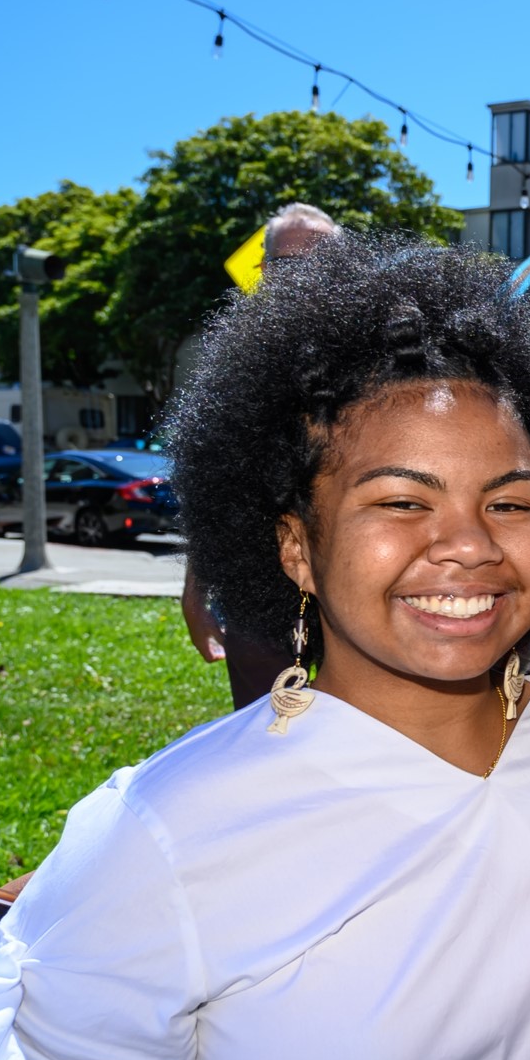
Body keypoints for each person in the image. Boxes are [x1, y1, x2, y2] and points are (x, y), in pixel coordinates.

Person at [0, 235, 530, 1060]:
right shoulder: (164, 834)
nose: (466, 545)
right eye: (400, 502)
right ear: (295, 547)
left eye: (509, 501)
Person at [179, 201, 342, 709]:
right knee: (265, 729)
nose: (302, 278)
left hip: (353, 575)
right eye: (288, 264)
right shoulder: (235, 360)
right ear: (265, 270)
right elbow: (214, 481)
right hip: (259, 584)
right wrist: (195, 592)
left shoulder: (375, 349)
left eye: (319, 263)